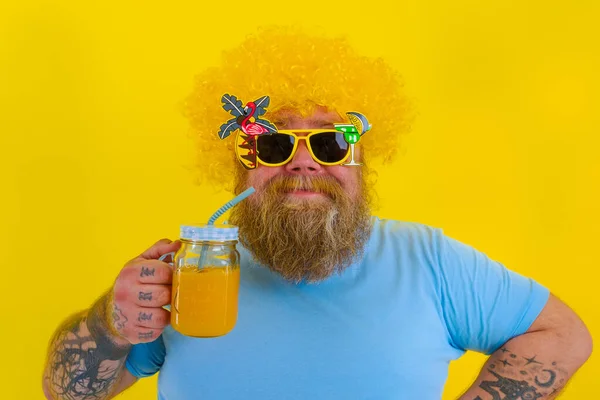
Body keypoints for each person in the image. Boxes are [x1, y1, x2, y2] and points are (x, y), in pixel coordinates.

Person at [42, 27, 592, 400]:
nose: (304, 163)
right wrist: (112, 325)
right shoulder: (190, 271)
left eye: (329, 144)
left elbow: (563, 334)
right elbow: (61, 391)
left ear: (360, 161)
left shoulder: (429, 260)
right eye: (275, 145)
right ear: (239, 169)